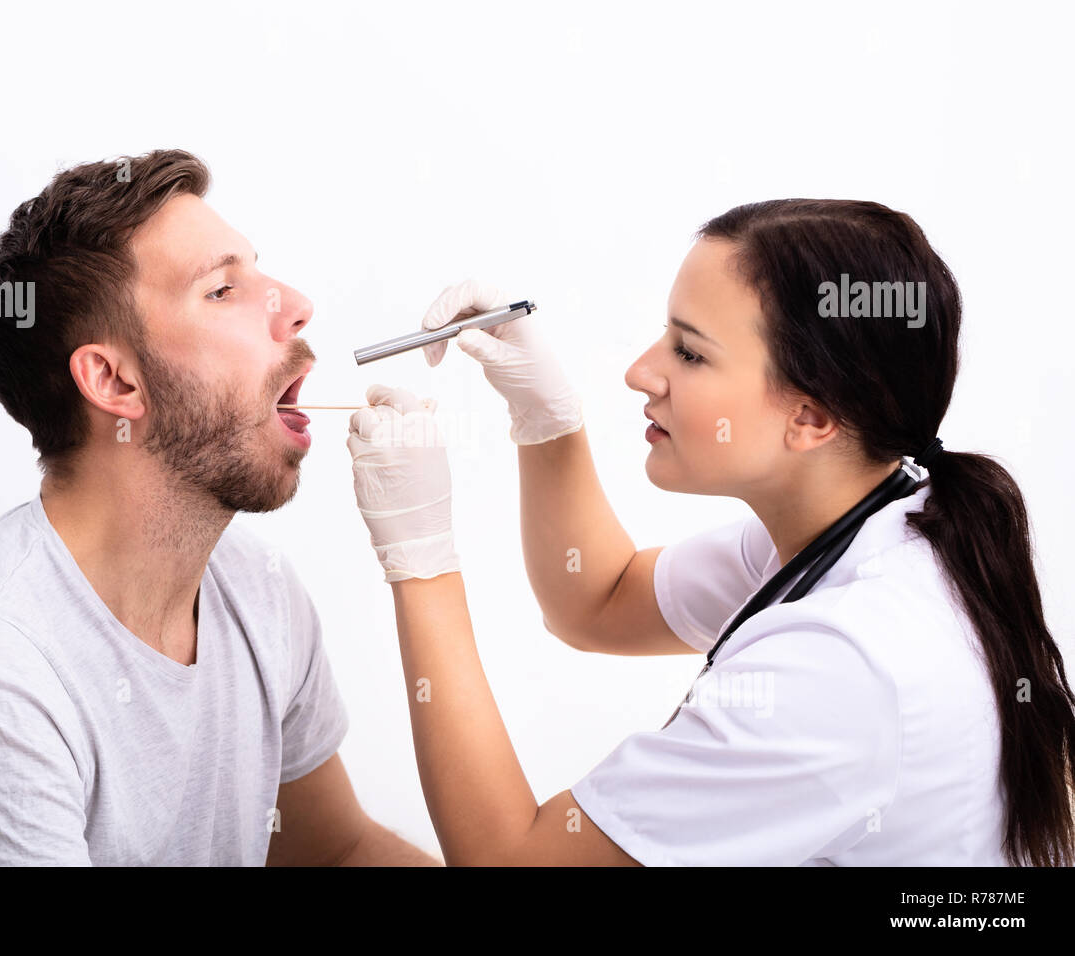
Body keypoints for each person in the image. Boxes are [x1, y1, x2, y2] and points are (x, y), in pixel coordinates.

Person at [345, 200, 1075, 866]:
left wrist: (419, 558)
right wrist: (548, 421)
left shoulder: (844, 665)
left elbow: (508, 862)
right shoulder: (874, 517)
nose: (639, 372)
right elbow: (597, 600)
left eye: (689, 353)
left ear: (812, 417)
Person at [0, 149, 438, 866]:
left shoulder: (261, 596)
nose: (295, 304)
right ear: (113, 381)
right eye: (223, 290)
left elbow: (339, 852)